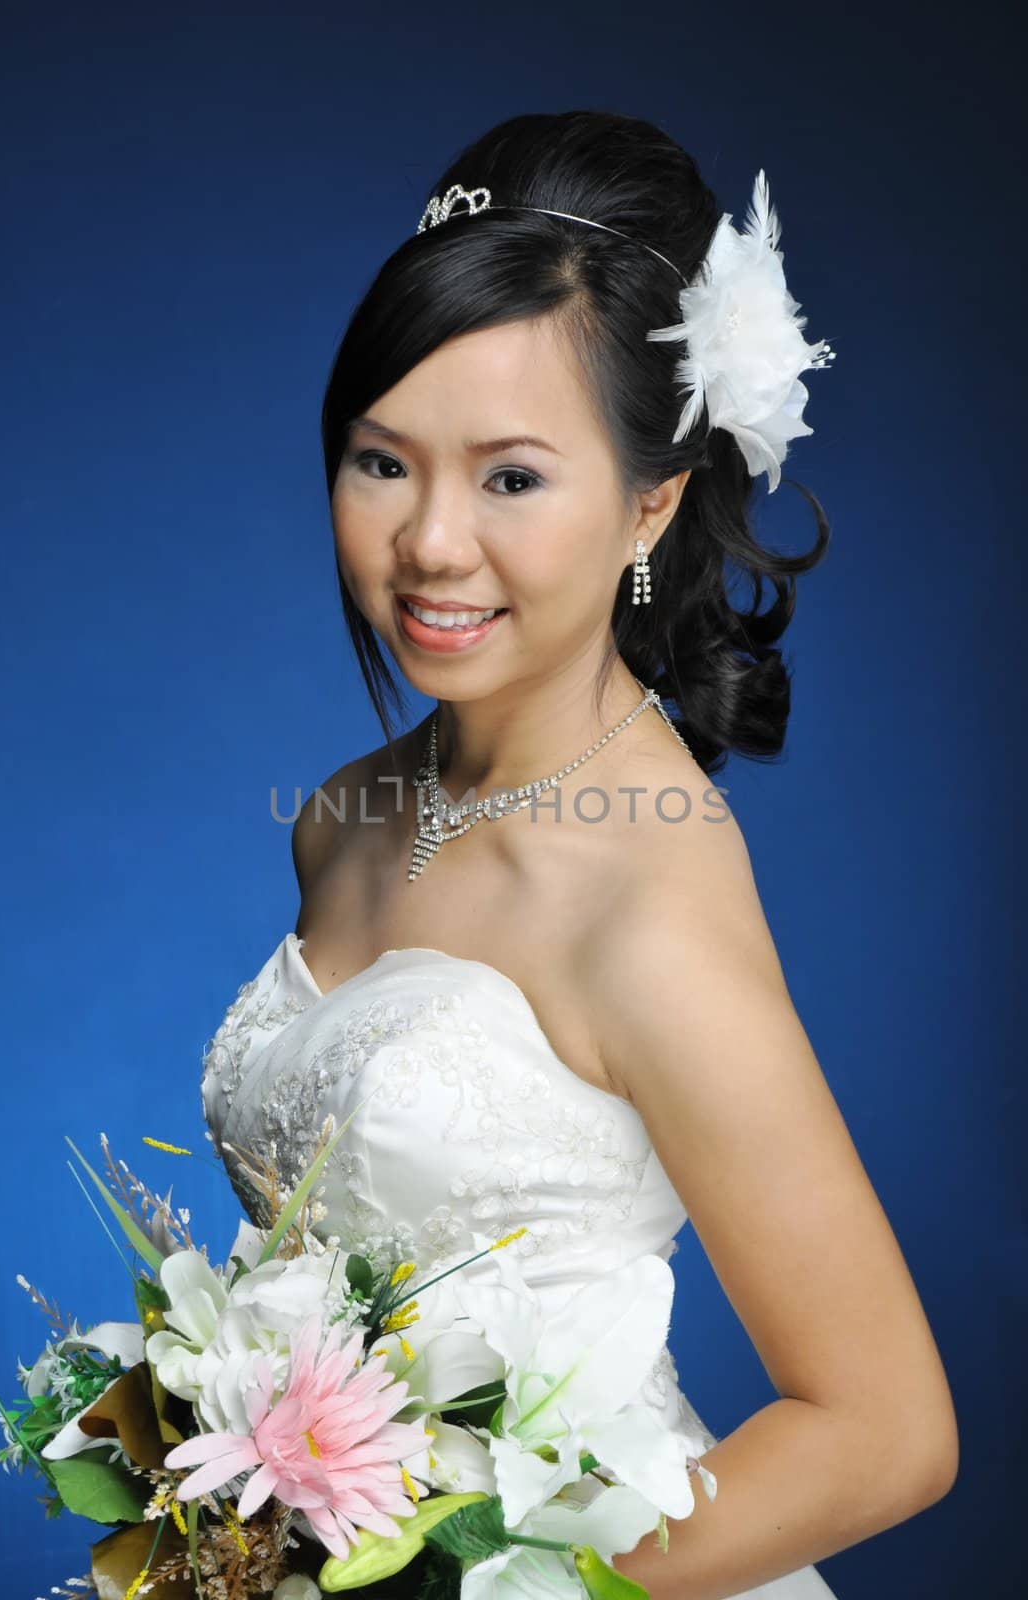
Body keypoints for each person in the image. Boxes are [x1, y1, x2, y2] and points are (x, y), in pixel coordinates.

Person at [200, 109, 958, 1598]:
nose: (427, 544)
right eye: (379, 461)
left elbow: (888, 1431)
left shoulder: (643, 903)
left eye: (512, 478)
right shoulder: (344, 814)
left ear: (653, 498)